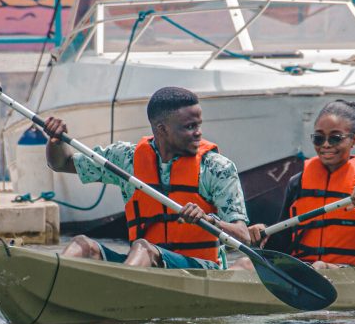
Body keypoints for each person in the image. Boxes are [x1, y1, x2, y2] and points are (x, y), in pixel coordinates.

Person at [44, 86, 250, 269]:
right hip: (145, 266)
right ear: (162, 129)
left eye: (198, 125)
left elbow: (243, 235)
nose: (198, 133)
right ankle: (53, 279)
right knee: (82, 244)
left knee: (143, 248)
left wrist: (209, 221)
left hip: (200, 269)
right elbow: (62, 163)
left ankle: (123, 289)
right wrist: (55, 141)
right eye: (189, 127)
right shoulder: (126, 159)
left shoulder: (216, 168)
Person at [244, 99, 355, 270]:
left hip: (349, 271)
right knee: (244, 264)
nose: (326, 145)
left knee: (320, 266)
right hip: (304, 268)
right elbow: (280, 247)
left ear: (354, 140)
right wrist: (263, 233)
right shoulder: (297, 182)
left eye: (335, 138)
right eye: (319, 138)